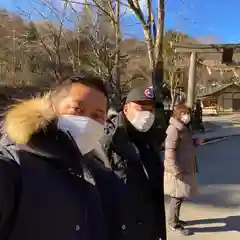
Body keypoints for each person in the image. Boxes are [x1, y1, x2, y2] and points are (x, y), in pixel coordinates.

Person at [0, 74, 124, 240]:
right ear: (52, 109)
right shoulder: (16, 165)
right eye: (77, 110)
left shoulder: (100, 175)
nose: (87, 120)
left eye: (97, 115)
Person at [101, 86, 166, 240]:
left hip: (149, 228)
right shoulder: (109, 141)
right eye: (141, 108)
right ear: (126, 109)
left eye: (151, 110)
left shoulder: (151, 139)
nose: (147, 114)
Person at [164, 104, 201, 236]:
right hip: (177, 169)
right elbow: (169, 150)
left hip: (185, 167)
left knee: (181, 195)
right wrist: (174, 169)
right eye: (184, 113)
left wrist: (195, 143)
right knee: (176, 197)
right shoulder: (174, 129)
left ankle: (175, 219)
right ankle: (172, 224)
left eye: (188, 113)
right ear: (178, 115)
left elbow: (185, 145)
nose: (187, 116)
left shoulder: (184, 128)